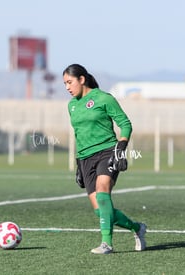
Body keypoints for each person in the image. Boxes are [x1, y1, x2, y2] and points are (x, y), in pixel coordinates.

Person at [63, 64, 146, 254]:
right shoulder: (72, 105)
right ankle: (137, 228)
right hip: (85, 158)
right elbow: (79, 134)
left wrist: (122, 146)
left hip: (107, 151)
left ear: (81, 79)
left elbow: (125, 124)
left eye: (70, 82)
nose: (67, 87)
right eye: (65, 84)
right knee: (101, 211)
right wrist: (78, 163)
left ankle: (106, 243)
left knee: (103, 193)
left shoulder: (103, 98)